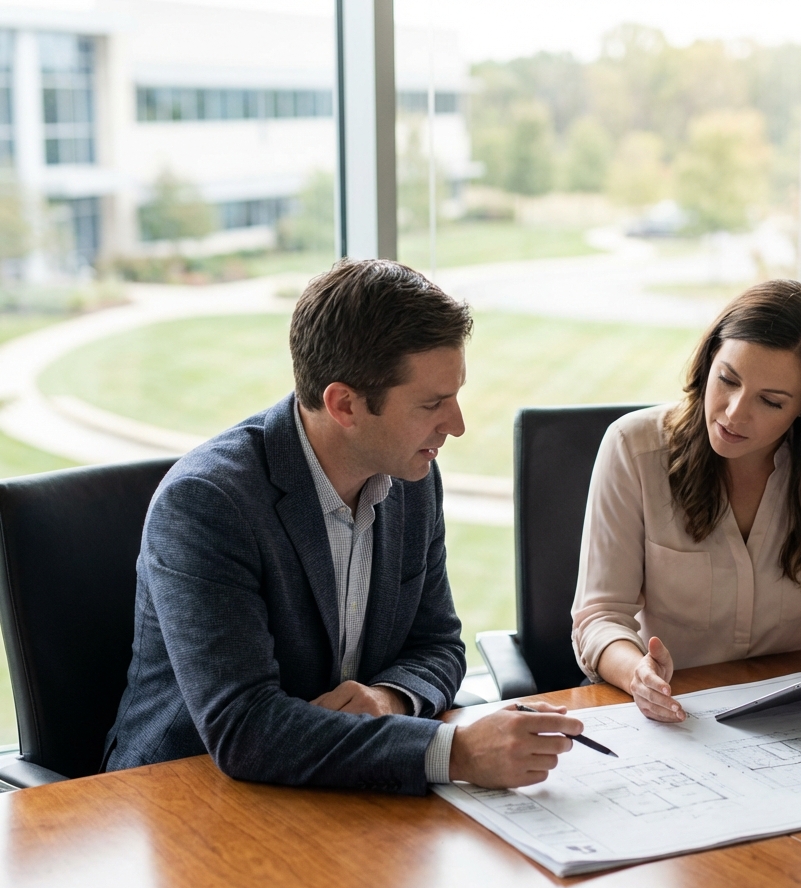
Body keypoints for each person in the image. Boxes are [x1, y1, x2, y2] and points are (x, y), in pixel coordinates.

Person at [103, 259, 581, 791]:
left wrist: (389, 698)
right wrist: (454, 753)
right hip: (185, 793)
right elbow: (244, 727)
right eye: (432, 404)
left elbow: (439, 645)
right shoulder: (207, 504)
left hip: (338, 783)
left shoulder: (414, 479)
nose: (458, 425)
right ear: (344, 405)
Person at [572, 279, 801, 722]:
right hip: (677, 714)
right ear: (709, 360)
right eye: (728, 379)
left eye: (771, 401)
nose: (735, 413)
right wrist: (637, 672)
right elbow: (600, 616)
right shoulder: (633, 448)